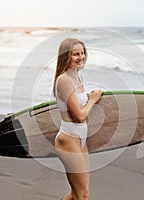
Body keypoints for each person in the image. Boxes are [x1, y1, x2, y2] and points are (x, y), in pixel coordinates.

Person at [53, 38, 102, 200]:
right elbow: (80, 116)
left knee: (77, 194)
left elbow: (78, 104)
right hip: (68, 139)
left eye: (82, 53)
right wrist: (92, 100)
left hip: (80, 139)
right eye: (75, 54)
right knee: (82, 196)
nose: (80, 57)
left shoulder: (77, 76)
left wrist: (89, 99)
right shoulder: (64, 80)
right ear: (66, 56)